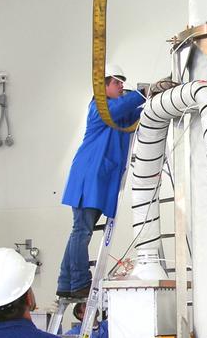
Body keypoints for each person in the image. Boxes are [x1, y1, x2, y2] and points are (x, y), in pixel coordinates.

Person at [57, 64, 145, 299]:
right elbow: (123, 106)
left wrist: (155, 98)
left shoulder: (117, 111)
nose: (121, 87)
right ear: (103, 85)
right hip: (89, 176)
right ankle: (79, 281)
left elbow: (134, 113)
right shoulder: (99, 106)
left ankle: (66, 282)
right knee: (82, 231)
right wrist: (142, 92)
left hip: (99, 179)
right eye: (117, 82)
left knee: (80, 231)